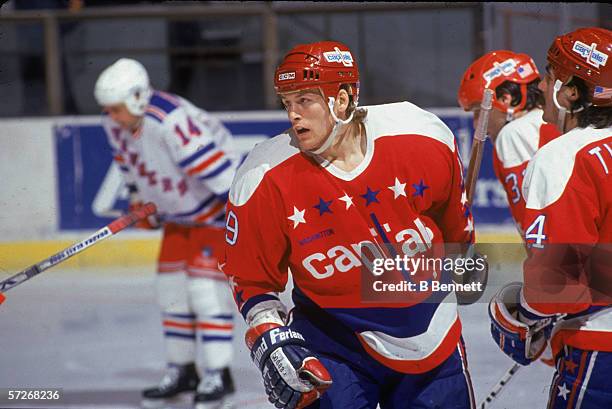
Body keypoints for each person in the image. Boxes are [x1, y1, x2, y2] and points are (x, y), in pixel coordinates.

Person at [223, 41, 478, 408]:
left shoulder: (422, 138)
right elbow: (251, 278)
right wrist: (268, 331)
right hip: (332, 341)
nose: (293, 115)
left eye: (305, 101)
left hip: (433, 334)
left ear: (342, 100)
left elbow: (456, 230)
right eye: (287, 103)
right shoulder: (263, 175)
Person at [94, 58, 237, 408]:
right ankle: (183, 370)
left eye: (116, 109)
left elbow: (223, 178)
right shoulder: (115, 124)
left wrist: (239, 221)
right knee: (171, 292)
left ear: (137, 98)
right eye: (108, 110)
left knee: (205, 293)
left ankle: (219, 374)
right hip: (178, 219)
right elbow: (129, 168)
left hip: (214, 217)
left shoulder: (172, 122)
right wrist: (139, 201)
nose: (111, 116)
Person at [489, 27, 612, 408]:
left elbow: (554, 287)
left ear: (571, 90)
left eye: (549, 75)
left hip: (600, 347)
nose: (543, 86)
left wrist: (522, 316)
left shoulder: (563, 156)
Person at [458, 50, 560, 234]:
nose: (475, 123)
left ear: (506, 99)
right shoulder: (562, 123)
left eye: (478, 111)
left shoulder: (512, 135)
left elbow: (534, 222)